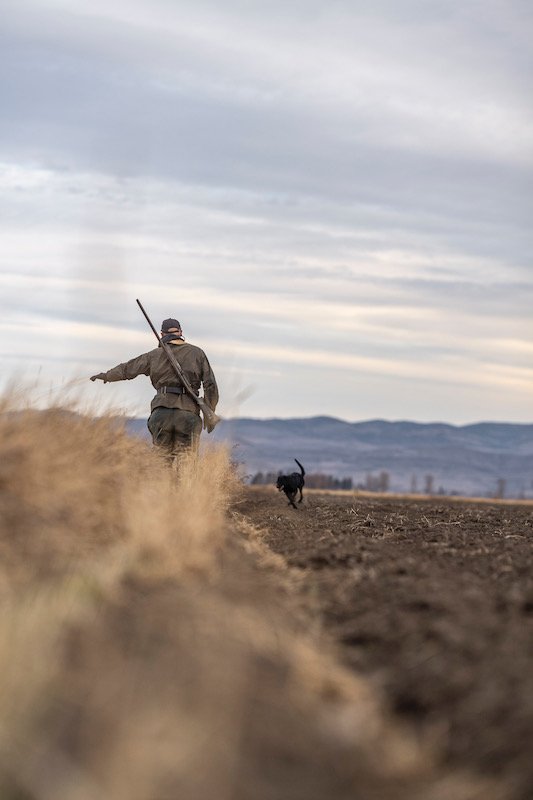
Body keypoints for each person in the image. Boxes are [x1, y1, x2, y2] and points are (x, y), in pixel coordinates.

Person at [90, 317, 218, 460]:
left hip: (161, 413)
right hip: (188, 414)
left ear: (162, 334)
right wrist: (209, 412)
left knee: (161, 461)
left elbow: (128, 369)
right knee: (187, 461)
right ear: (181, 332)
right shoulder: (197, 353)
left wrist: (107, 376)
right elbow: (210, 385)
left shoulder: (154, 355)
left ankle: (161, 475)